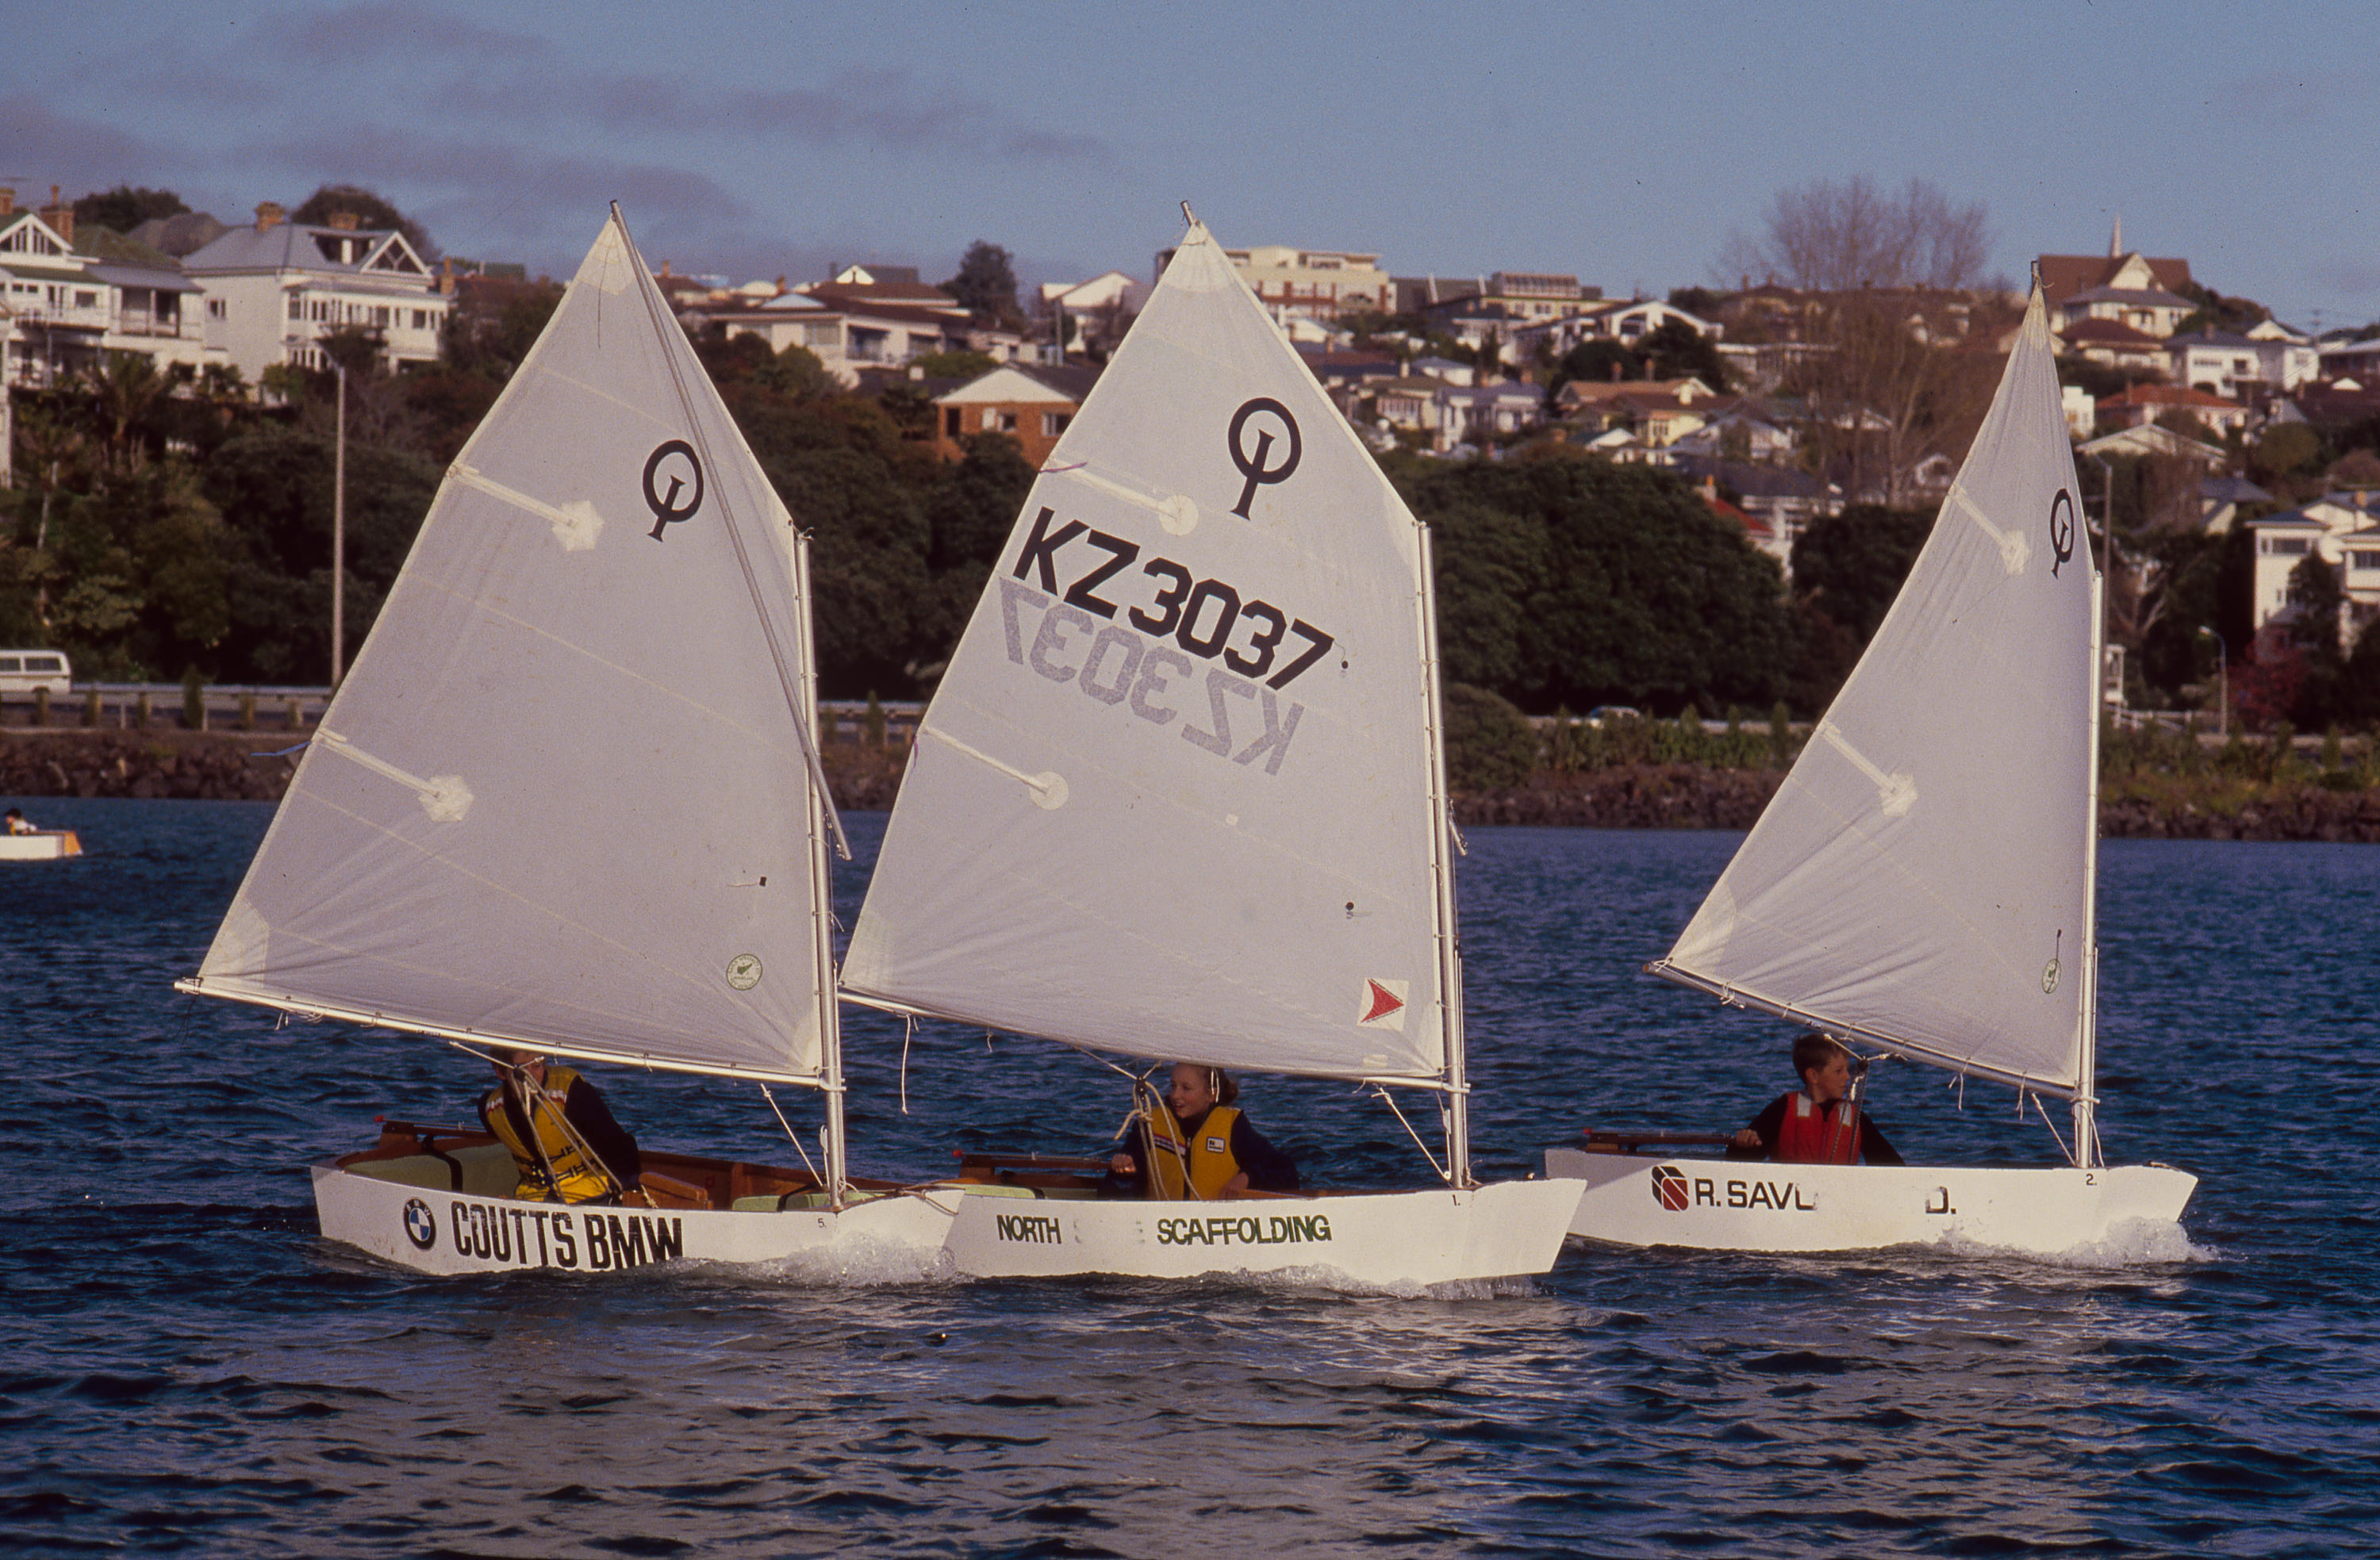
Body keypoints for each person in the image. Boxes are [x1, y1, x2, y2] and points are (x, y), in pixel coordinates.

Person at [1106, 1062, 1299, 1199]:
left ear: (1211, 1094)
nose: (1175, 1095)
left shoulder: (1234, 1127)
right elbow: (1123, 1178)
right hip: (1162, 1227)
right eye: (1173, 1086)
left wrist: (1246, 1178)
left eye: (1186, 1088)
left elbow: (1286, 1172)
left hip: (1212, 1230)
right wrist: (1123, 1169)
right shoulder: (1151, 1123)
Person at [477, 1049, 646, 1204]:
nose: (533, 1075)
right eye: (524, 1069)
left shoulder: (571, 1091)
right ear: (500, 1072)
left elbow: (616, 1144)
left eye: (538, 1065)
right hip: (532, 1197)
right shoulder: (490, 1109)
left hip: (588, 1192)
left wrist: (630, 1191)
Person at [1729, 1032, 1904, 1166]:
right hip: (1793, 1198)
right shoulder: (1781, 1110)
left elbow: (1893, 1167)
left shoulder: (1857, 1119)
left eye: (1847, 1070)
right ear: (1813, 1076)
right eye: (1839, 1071)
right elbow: (1737, 1159)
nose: (1847, 1077)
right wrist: (1743, 1144)